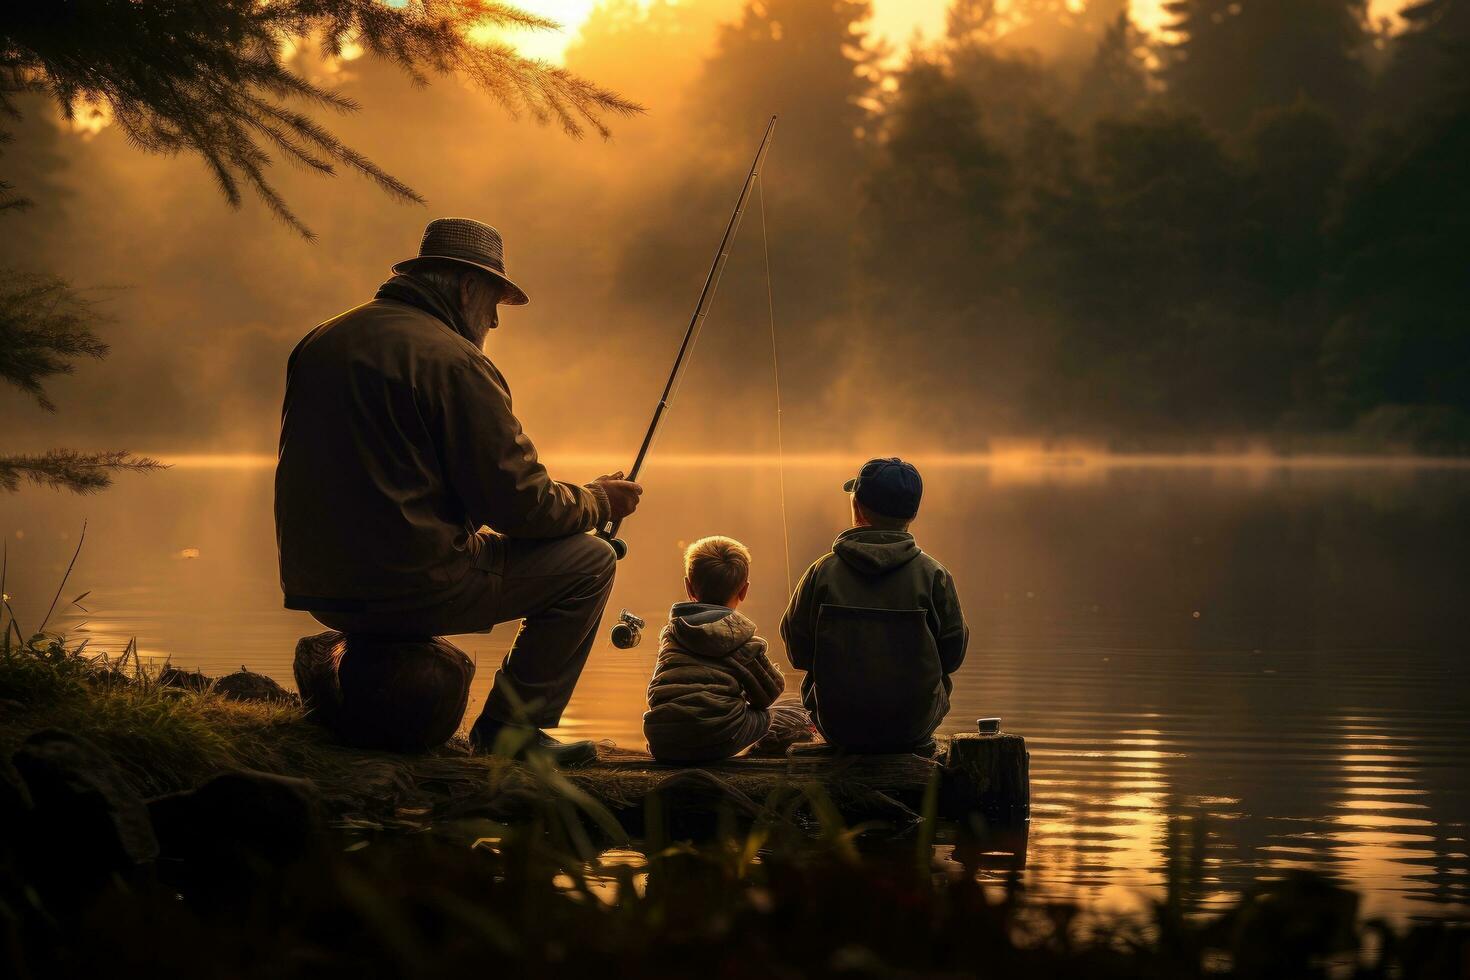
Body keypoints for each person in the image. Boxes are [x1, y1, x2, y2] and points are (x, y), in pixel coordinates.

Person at [275, 217, 642, 767]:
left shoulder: (324, 339)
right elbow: (520, 505)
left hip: (320, 584)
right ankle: (512, 734)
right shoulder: (455, 360)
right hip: (410, 582)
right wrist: (596, 502)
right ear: (468, 287)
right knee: (589, 561)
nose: (495, 319)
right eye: (494, 302)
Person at [780, 457, 968, 754]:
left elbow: (798, 653)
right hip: (912, 728)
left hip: (838, 728)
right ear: (912, 513)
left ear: (857, 507)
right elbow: (953, 655)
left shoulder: (822, 572)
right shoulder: (934, 575)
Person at [643, 536, 811, 762]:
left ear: (688, 587)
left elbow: (659, 690)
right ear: (744, 591)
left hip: (663, 740)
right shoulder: (742, 639)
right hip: (719, 739)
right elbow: (770, 693)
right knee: (791, 708)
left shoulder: (671, 634)